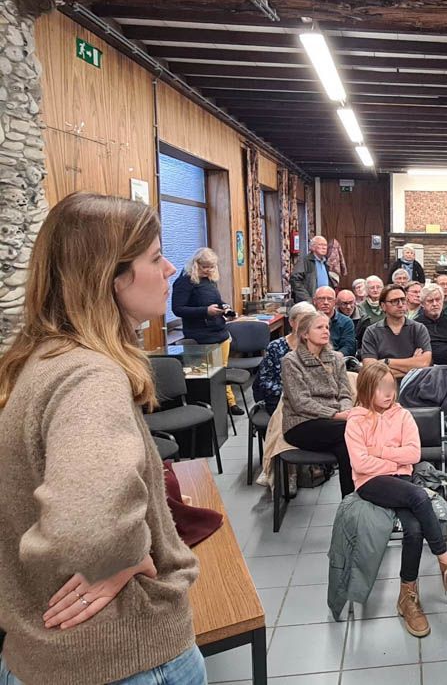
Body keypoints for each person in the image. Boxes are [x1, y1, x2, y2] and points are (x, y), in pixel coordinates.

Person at [0, 193, 205, 684]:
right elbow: (87, 526)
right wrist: (126, 557)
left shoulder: (40, 360)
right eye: (155, 257)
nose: (170, 269)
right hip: (124, 655)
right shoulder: (89, 376)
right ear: (110, 277)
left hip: (48, 652)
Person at [346, 363, 447, 637]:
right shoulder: (355, 420)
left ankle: (406, 597)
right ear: (367, 389)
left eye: (391, 387)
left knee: (415, 529)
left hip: (401, 479)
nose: (388, 393)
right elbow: (359, 464)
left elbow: (413, 454)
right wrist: (392, 460)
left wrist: (378, 452)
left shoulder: (403, 415)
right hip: (370, 483)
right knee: (419, 495)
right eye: (381, 388)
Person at [280, 310, 355, 497]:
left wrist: (346, 411)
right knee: (354, 431)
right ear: (305, 334)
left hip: (335, 423)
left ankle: (350, 501)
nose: (326, 331)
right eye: (319, 327)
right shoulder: (291, 361)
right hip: (301, 423)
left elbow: (345, 392)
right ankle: (355, 499)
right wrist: (336, 415)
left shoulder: (336, 358)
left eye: (327, 327)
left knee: (346, 447)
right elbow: (300, 402)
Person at [171, 247, 241, 415]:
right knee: (208, 377)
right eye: (204, 267)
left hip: (220, 333)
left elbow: (216, 301)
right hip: (200, 338)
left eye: (211, 267)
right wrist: (205, 311)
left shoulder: (209, 281)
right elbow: (178, 309)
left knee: (222, 371)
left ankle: (229, 403)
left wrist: (225, 308)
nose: (208, 270)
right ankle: (220, 406)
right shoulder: (184, 282)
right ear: (195, 264)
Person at [253, 301, 317, 415]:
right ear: (292, 322)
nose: (306, 326)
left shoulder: (318, 346)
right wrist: (290, 394)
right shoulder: (275, 347)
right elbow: (265, 380)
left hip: (311, 400)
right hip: (280, 399)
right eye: (302, 321)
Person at [359, 284, 432, 380]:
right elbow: (370, 370)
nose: (400, 304)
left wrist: (386, 362)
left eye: (403, 300)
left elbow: (424, 363)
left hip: (415, 385)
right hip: (382, 385)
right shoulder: (372, 332)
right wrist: (412, 366)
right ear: (383, 306)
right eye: (394, 301)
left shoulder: (418, 329)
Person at [413, 284, 447, 367]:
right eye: (430, 301)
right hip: (427, 368)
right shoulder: (416, 325)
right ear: (422, 304)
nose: (435, 304)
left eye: (438, 300)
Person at [291, 235, 338, 302]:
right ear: (312, 247)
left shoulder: (326, 262)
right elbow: (295, 280)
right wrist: (307, 299)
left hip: (324, 300)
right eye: (320, 245)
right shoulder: (305, 261)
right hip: (310, 302)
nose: (324, 247)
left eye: (325, 245)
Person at [313, 286, 357, 358]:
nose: (326, 302)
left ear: (335, 302)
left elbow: (348, 347)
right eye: (321, 299)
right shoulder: (308, 321)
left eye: (329, 299)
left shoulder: (346, 322)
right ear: (314, 301)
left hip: (337, 359)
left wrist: (333, 358)